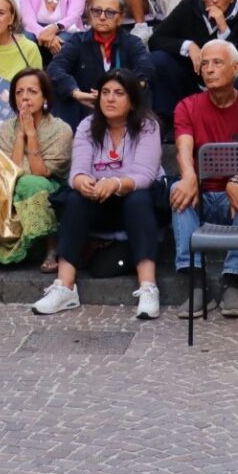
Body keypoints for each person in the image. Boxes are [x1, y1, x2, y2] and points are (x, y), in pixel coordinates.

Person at [31, 70, 164, 319]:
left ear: (132, 100)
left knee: (138, 198)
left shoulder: (148, 126)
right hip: (99, 203)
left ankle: (148, 287)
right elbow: (77, 172)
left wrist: (115, 183)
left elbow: (145, 175)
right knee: (74, 197)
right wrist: (83, 183)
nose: (110, 99)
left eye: (118, 93)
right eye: (105, 93)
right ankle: (65, 286)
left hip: (136, 204)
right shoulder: (87, 126)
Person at [168, 40, 238, 317]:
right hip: (200, 194)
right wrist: (189, 175)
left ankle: (232, 281)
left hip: (232, 198)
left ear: (236, 68)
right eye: (205, 64)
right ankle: (196, 282)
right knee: (179, 187)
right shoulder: (187, 106)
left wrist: (235, 181)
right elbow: (184, 148)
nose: (209, 69)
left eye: (217, 63)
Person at [0, 68, 72, 272]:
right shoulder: (6, 128)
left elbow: (40, 172)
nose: (25, 97)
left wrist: (32, 134)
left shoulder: (61, 129)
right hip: (13, 180)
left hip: (46, 182)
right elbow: (11, 171)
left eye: (32, 91)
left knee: (31, 182)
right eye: (19, 92)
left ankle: (51, 248)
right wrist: (20, 135)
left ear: (44, 96)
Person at [146, 0, 238, 118]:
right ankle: (168, 119)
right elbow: (156, 40)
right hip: (191, 77)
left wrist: (224, 30)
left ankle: (231, 128)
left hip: (224, 80)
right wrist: (188, 46)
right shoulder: (189, 6)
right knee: (159, 60)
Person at [44, 0, 150, 128]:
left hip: (122, 108)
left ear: (121, 17)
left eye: (110, 12)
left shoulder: (132, 42)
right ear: (90, 14)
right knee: (60, 88)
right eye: (96, 11)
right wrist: (76, 93)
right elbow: (56, 68)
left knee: (145, 88)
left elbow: (145, 69)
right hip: (84, 107)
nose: (102, 17)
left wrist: (117, 91)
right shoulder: (77, 41)